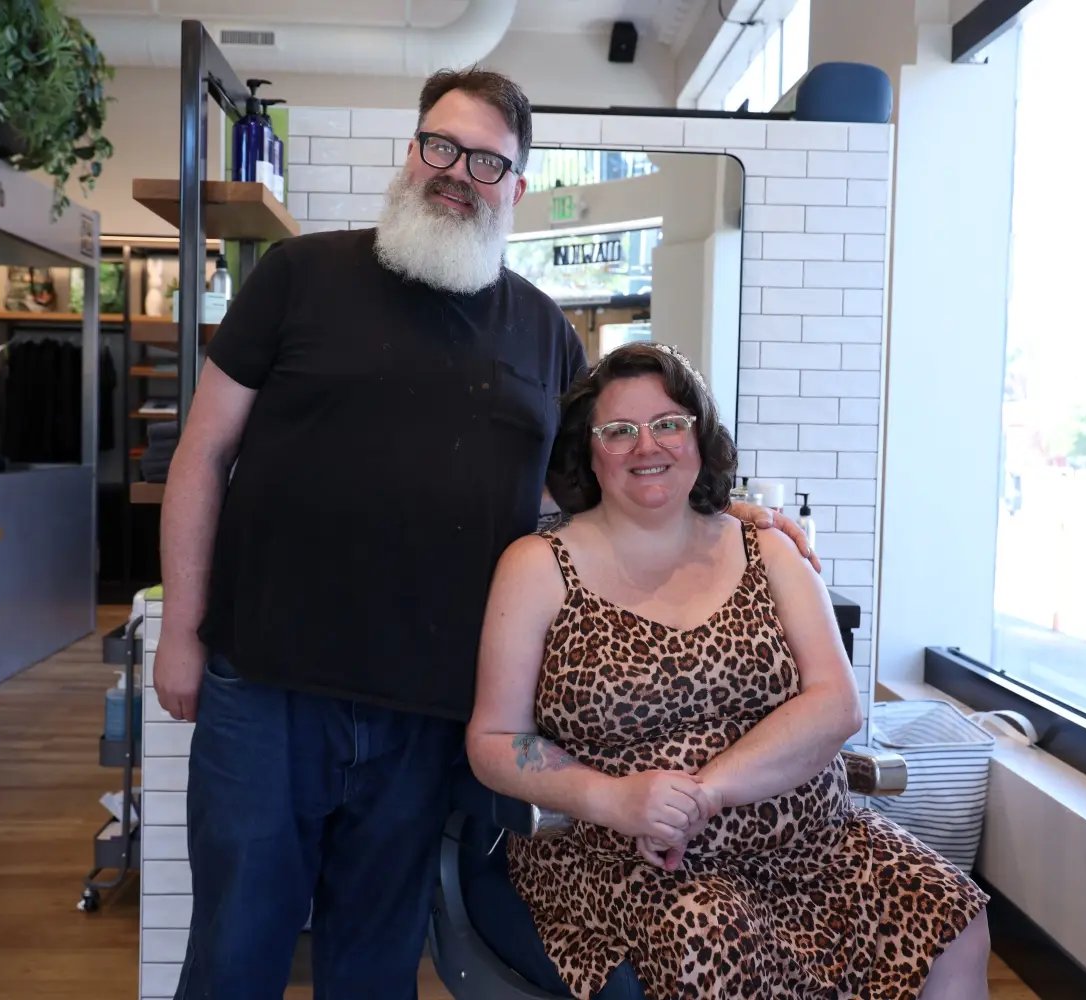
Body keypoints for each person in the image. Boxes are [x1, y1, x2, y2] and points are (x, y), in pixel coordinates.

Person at [154, 68, 815, 999]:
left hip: (428, 715)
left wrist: (737, 514)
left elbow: (611, 486)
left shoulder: (546, 335)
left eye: (487, 161)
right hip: (266, 689)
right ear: (412, 149)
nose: (457, 172)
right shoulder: (299, 276)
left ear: (517, 184)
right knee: (234, 955)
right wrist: (182, 630)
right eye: (441, 146)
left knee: (375, 964)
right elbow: (201, 453)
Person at [468, 342, 993, 1000]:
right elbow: (494, 741)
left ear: (699, 436)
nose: (645, 445)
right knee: (713, 942)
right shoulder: (539, 566)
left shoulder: (768, 547)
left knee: (954, 916)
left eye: (668, 424)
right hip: (634, 860)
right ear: (589, 450)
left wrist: (709, 792)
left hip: (813, 843)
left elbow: (836, 705)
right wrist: (614, 799)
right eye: (619, 431)